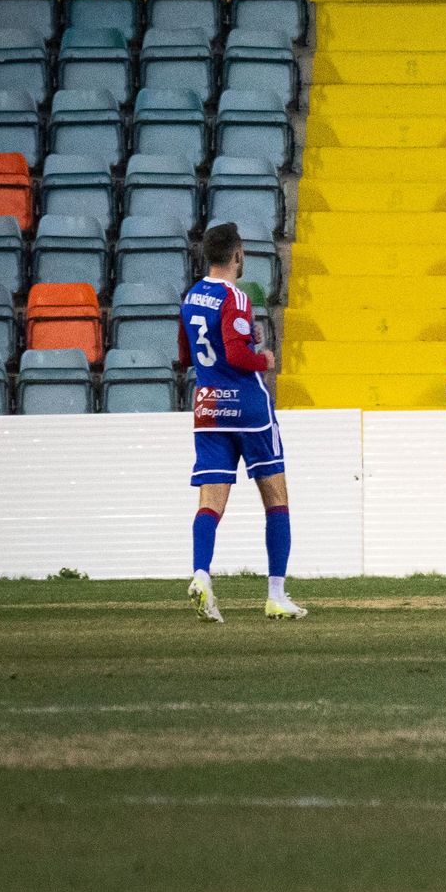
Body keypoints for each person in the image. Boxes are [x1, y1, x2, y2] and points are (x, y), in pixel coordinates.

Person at [180, 222, 303, 622]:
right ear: (237, 255)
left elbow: (185, 356)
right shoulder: (235, 297)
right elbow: (237, 354)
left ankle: (201, 575)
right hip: (248, 408)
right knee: (276, 499)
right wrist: (262, 360)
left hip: (209, 407)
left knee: (210, 502)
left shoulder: (191, 296)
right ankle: (275, 594)